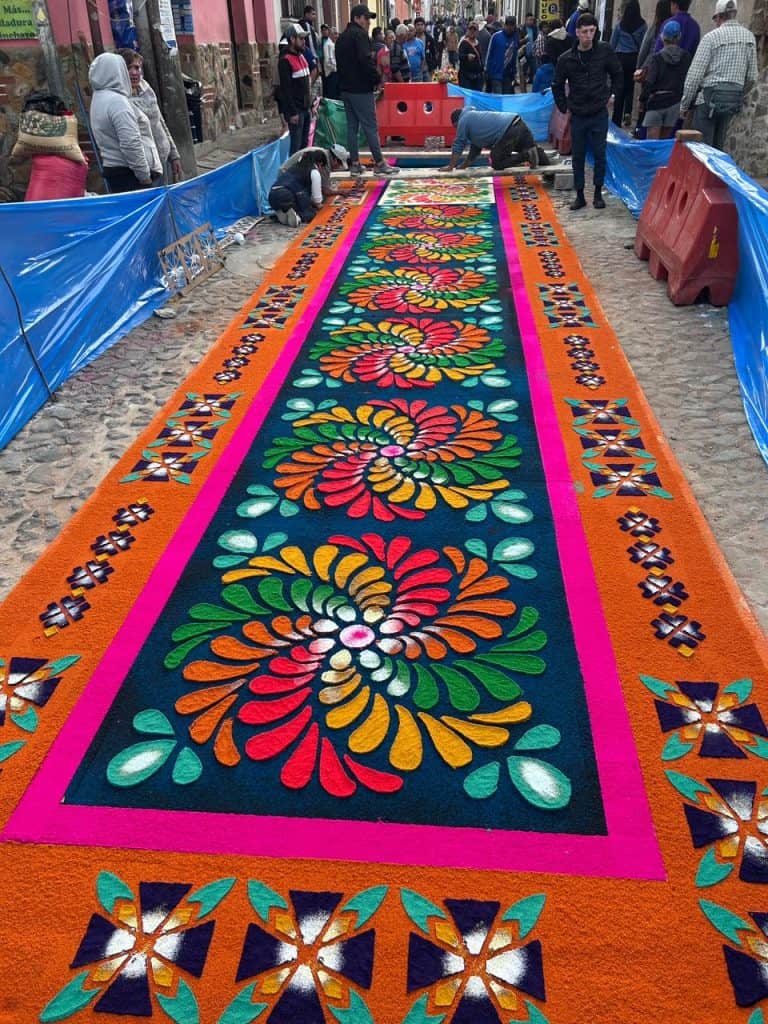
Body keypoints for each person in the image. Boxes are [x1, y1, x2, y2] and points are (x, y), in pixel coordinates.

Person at [552, 12, 622, 210]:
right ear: (577, 33)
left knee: (600, 154)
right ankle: (580, 195)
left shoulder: (604, 51)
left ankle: (598, 193)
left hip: (599, 111)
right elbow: (557, 84)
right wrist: (564, 107)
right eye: (585, 32)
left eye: (592, 31)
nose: (589, 36)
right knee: (578, 156)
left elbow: (617, 73)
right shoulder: (566, 59)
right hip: (579, 113)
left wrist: (613, 95)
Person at [680, 0, 757, 150]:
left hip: (707, 101)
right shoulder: (749, 38)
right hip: (732, 102)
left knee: (702, 149)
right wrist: (738, 92)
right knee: (718, 147)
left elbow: (694, 75)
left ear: (719, 17)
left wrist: (685, 104)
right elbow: (752, 77)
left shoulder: (711, 38)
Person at [335, 4, 399, 176]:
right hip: (360, 88)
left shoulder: (341, 38)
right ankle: (379, 162)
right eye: (366, 18)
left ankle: (354, 163)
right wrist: (376, 79)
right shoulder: (360, 35)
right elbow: (366, 61)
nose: (369, 22)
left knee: (352, 127)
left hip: (346, 88)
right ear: (357, 18)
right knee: (370, 126)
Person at [88, 52, 160, 193]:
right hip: (130, 175)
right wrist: (144, 177)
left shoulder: (99, 98)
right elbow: (130, 142)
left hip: (115, 171)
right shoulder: (117, 102)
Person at [119, 49, 182, 183]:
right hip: (147, 169)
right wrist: (144, 175)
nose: (134, 73)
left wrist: (174, 154)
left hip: (163, 159)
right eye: (128, 68)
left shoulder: (146, 88)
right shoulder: (120, 99)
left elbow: (160, 122)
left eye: (137, 67)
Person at [440, 107, 541, 171]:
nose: (457, 130)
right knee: (532, 149)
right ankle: (541, 156)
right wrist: (464, 166)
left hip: (508, 130)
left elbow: (459, 143)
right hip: (517, 122)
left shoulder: (463, 120)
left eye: (456, 127)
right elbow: (475, 150)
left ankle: (527, 155)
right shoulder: (473, 119)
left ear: (456, 123)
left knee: (496, 162)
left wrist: (450, 167)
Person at [269, 146, 345, 226]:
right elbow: (317, 201)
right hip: (286, 196)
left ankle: (283, 212)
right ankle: (297, 216)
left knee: (301, 197)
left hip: (272, 196)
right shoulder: (314, 172)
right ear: (320, 164)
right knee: (310, 213)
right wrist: (318, 205)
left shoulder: (295, 166)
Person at [639, 20, 691, 138]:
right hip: (675, 102)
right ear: (679, 37)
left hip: (656, 102)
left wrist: (642, 100)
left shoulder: (656, 58)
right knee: (664, 142)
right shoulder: (686, 57)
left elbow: (649, 81)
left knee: (651, 145)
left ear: (663, 38)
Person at [609, 0, 647, 127]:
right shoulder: (643, 25)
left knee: (619, 88)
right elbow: (643, 45)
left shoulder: (620, 25)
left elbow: (612, 44)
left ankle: (616, 118)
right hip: (634, 59)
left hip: (620, 59)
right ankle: (628, 112)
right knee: (630, 88)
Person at [277, 24, 312, 155]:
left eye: (304, 38)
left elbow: (306, 84)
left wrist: (311, 104)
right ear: (292, 39)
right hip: (296, 111)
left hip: (305, 109)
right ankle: (293, 173)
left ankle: (301, 171)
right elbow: (286, 90)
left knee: (304, 145)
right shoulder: (285, 60)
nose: (304, 42)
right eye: (301, 38)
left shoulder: (301, 57)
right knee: (296, 148)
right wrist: (292, 113)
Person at [486, 16, 520, 94]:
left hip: (508, 75)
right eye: (507, 25)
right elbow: (489, 53)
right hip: (496, 73)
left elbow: (515, 56)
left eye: (512, 25)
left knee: (506, 98)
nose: (509, 27)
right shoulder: (496, 36)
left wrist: (515, 73)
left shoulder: (515, 38)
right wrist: (487, 70)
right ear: (504, 25)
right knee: (498, 98)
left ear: (514, 26)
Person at [458, 23, 485, 90]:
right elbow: (459, 56)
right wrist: (467, 56)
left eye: (474, 30)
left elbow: (480, 57)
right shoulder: (464, 43)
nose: (472, 32)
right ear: (468, 31)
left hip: (477, 77)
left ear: (477, 32)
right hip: (466, 77)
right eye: (470, 30)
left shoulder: (478, 43)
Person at [323, 27, 339, 99]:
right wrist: (335, 68)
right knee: (332, 94)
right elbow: (328, 60)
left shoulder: (332, 44)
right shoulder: (327, 44)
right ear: (331, 34)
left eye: (337, 34)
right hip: (331, 73)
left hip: (335, 72)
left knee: (335, 93)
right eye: (335, 34)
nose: (336, 36)